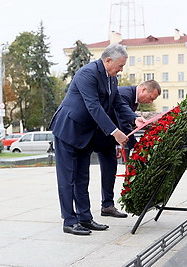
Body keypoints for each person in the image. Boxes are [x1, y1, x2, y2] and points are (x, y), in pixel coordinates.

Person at [49, 43, 145, 235]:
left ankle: (85, 218)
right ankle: (69, 220)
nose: (121, 70)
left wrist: (134, 118)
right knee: (67, 178)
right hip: (68, 129)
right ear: (107, 60)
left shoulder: (112, 79)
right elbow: (93, 106)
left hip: (86, 133)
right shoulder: (87, 73)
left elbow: (117, 102)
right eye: (120, 66)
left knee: (82, 177)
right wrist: (114, 131)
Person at [117, 80, 161, 150]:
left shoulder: (133, 97)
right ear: (143, 90)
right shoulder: (125, 95)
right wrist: (136, 147)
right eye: (151, 98)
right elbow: (123, 122)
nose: (151, 102)